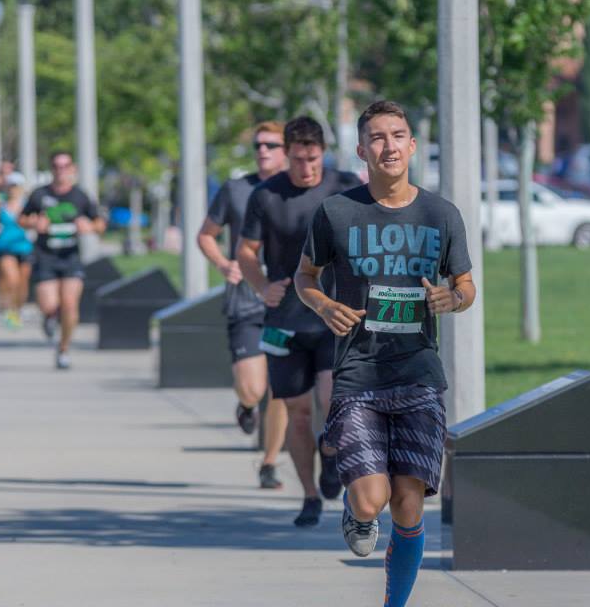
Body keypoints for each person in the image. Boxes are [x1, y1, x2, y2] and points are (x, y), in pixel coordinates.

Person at [295, 101, 476, 606]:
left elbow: (465, 285)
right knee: (372, 501)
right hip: (358, 373)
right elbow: (304, 277)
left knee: (408, 505)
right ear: (361, 150)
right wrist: (324, 305)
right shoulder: (336, 213)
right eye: (377, 137)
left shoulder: (441, 214)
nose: (389, 146)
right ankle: (355, 510)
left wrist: (453, 299)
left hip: (419, 373)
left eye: (397, 135)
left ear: (412, 146)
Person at [237, 116, 362, 526]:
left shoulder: (346, 187)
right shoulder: (266, 195)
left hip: (334, 317)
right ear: (286, 155)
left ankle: (331, 454)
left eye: (313, 159)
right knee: (298, 412)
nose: (306, 169)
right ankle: (309, 495)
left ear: (323, 153)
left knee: (333, 400)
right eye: (297, 160)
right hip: (284, 321)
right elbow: (246, 251)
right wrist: (261, 286)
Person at [197, 121, 289, 490]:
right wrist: (223, 264)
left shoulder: (300, 190)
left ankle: (269, 462)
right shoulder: (235, 190)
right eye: (258, 145)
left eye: (271, 145)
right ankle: (247, 405)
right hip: (246, 300)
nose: (263, 151)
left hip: (286, 303)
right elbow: (206, 235)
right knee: (253, 388)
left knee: (281, 387)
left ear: (287, 150)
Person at [20, 151, 105, 369]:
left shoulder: (80, 196)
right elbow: (21, 219)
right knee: (50, 305)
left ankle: (64, 349)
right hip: (45, 256)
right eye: (57, 166)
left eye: (65, 166)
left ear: (72, 169)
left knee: (69, 305)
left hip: (70, 257)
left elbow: (100, 224)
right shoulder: (39, 194)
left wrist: (89, 227)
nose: (61, 170)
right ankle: (49, 317)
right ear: (52, 169)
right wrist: (34, 223)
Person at [0, 172, 33, 329]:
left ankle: (18, 308)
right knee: (11, 279)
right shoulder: (0, 203)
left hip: (25, 246)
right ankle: (7, 311)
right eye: (11, 186)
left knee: (23, 284)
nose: (14, 189)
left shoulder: (28, 204)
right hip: (5, 247)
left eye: (17, 186)